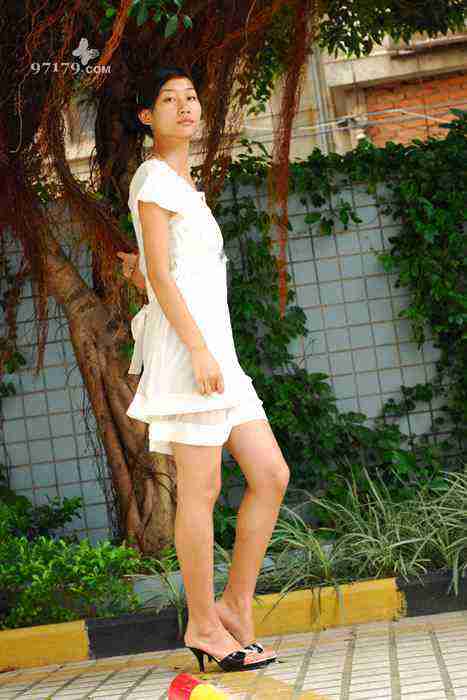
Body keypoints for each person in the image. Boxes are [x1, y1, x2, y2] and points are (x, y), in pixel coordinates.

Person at [118, 65, 290, 673]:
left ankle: (235, 605)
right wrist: (194, 348)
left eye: (191, 97)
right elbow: (163, 277)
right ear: (147, 117)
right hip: (193, 356)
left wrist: (140, 275)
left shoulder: (186, 189)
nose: (185, 107)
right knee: (203, 489)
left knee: (270, 473)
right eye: (169, 99)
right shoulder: (153, 179)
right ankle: (202, 623)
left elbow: (161, 270)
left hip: (220, 357)